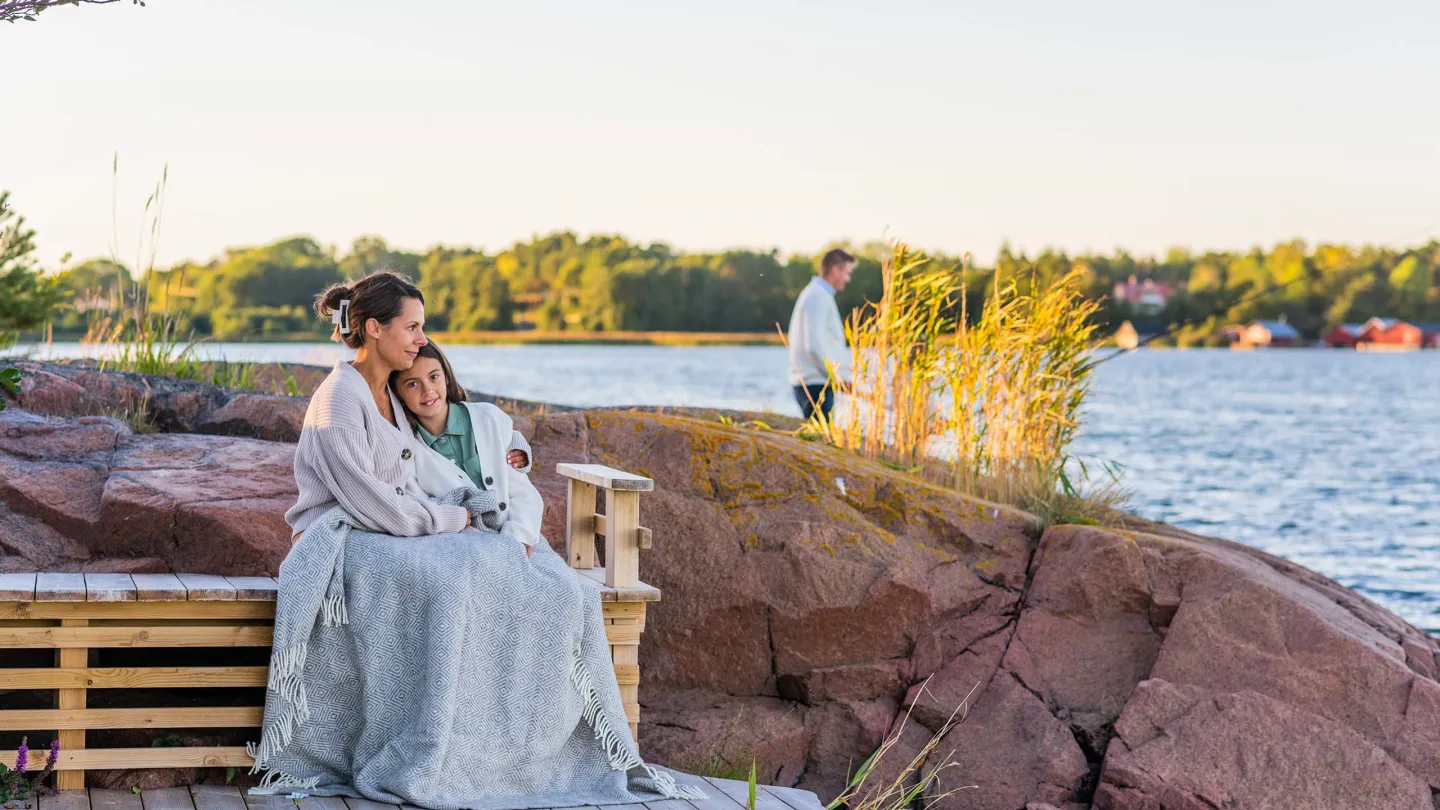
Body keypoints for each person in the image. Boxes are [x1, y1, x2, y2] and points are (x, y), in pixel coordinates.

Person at [285, 270, 472, 541]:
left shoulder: (394, 394)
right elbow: (367, 498)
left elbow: (458, 423)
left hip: (385, 531)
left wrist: (511, 447)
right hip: (333, 536)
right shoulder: (338, 399)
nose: (423, 340)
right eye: (412, 327)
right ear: (374, 328)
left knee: (500, 551)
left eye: (422, 328)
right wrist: (444, 517)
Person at [390, 342, 544, 556]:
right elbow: (423, 509)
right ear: (398, 395)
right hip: (458, 549)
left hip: (516, 535)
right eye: (413, 384)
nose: (427, 390)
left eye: (434, 377)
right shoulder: (406, 451)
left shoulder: (489, 418)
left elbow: (522, 491)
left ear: (446, 377)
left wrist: (517, 540)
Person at [787, 247, 855, 421]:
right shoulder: (817, 296)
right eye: (846, 273)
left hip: (817, 381)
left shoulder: (818, 294)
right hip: (814, 384)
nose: (848, 279)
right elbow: (814, 346)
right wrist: (837, 377)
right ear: (835, 270)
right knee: (820, 438)